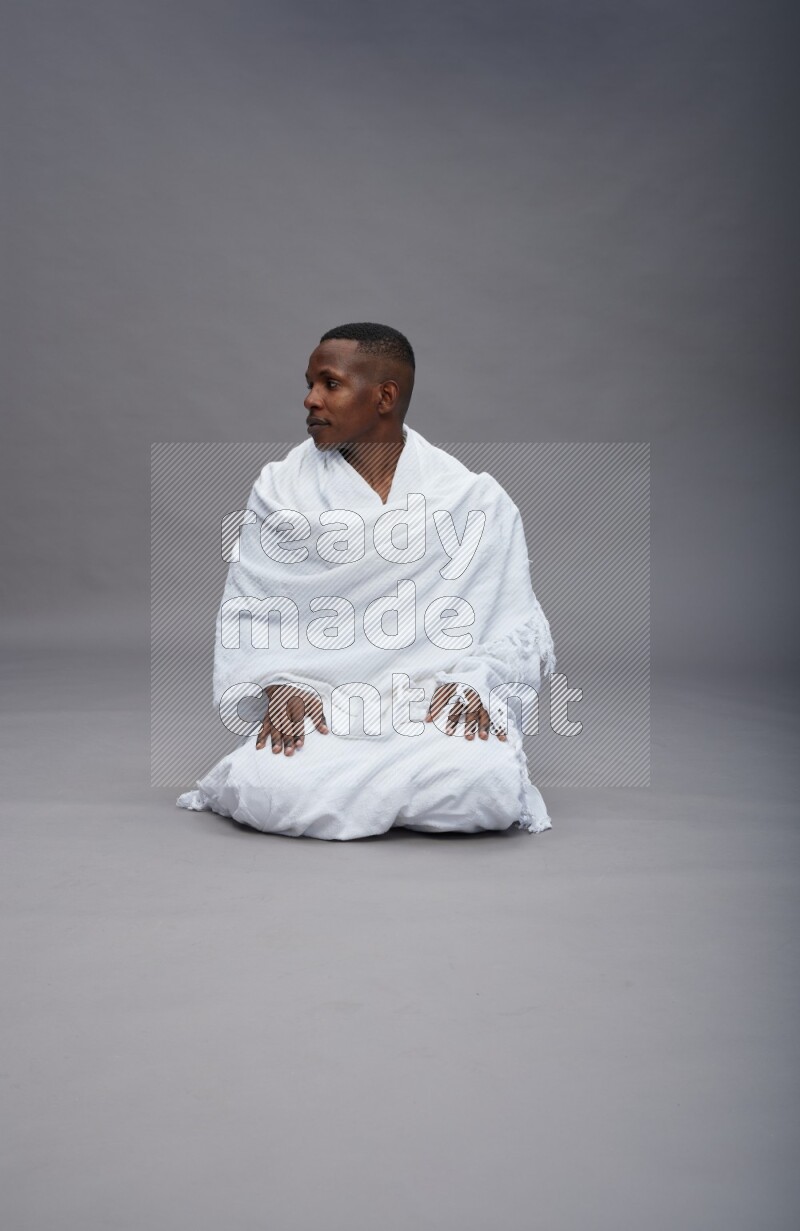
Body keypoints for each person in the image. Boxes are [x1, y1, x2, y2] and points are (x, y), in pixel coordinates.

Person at [177, 322, 556, 840]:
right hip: (323, 705)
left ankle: (372, 788)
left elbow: (509, 621)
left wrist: (475, 682)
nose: (310, 400)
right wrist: (278, 681)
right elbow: (251, 610)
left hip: (429, 706)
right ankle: (393, 790)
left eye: (329, 384)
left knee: (484, 783)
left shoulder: (471, 500)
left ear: (385, 396)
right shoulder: (280, 489)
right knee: (267, 786)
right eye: (309, 383)